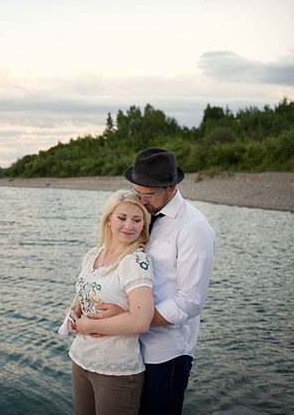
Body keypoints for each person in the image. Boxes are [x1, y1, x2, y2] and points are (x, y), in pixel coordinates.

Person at [118, 147, 216, 415]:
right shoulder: (142, 215)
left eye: (147, 194)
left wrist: (132, 320)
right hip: (131, 347)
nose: (140, 199)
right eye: (136, 191)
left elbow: (190, 301)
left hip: (167, 354)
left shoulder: (193, 228)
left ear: (171, 187)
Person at [59, 189, 155, 415]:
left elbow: (142, 321)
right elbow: (84, 295)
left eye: (136, 220)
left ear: (144, 224)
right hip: (81, 359)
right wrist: (73, 311)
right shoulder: (93, 255)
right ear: (109, 219)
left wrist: (90, 325)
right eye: (122, 218)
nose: (128, 226)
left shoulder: (136, 261)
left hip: (116, 369)